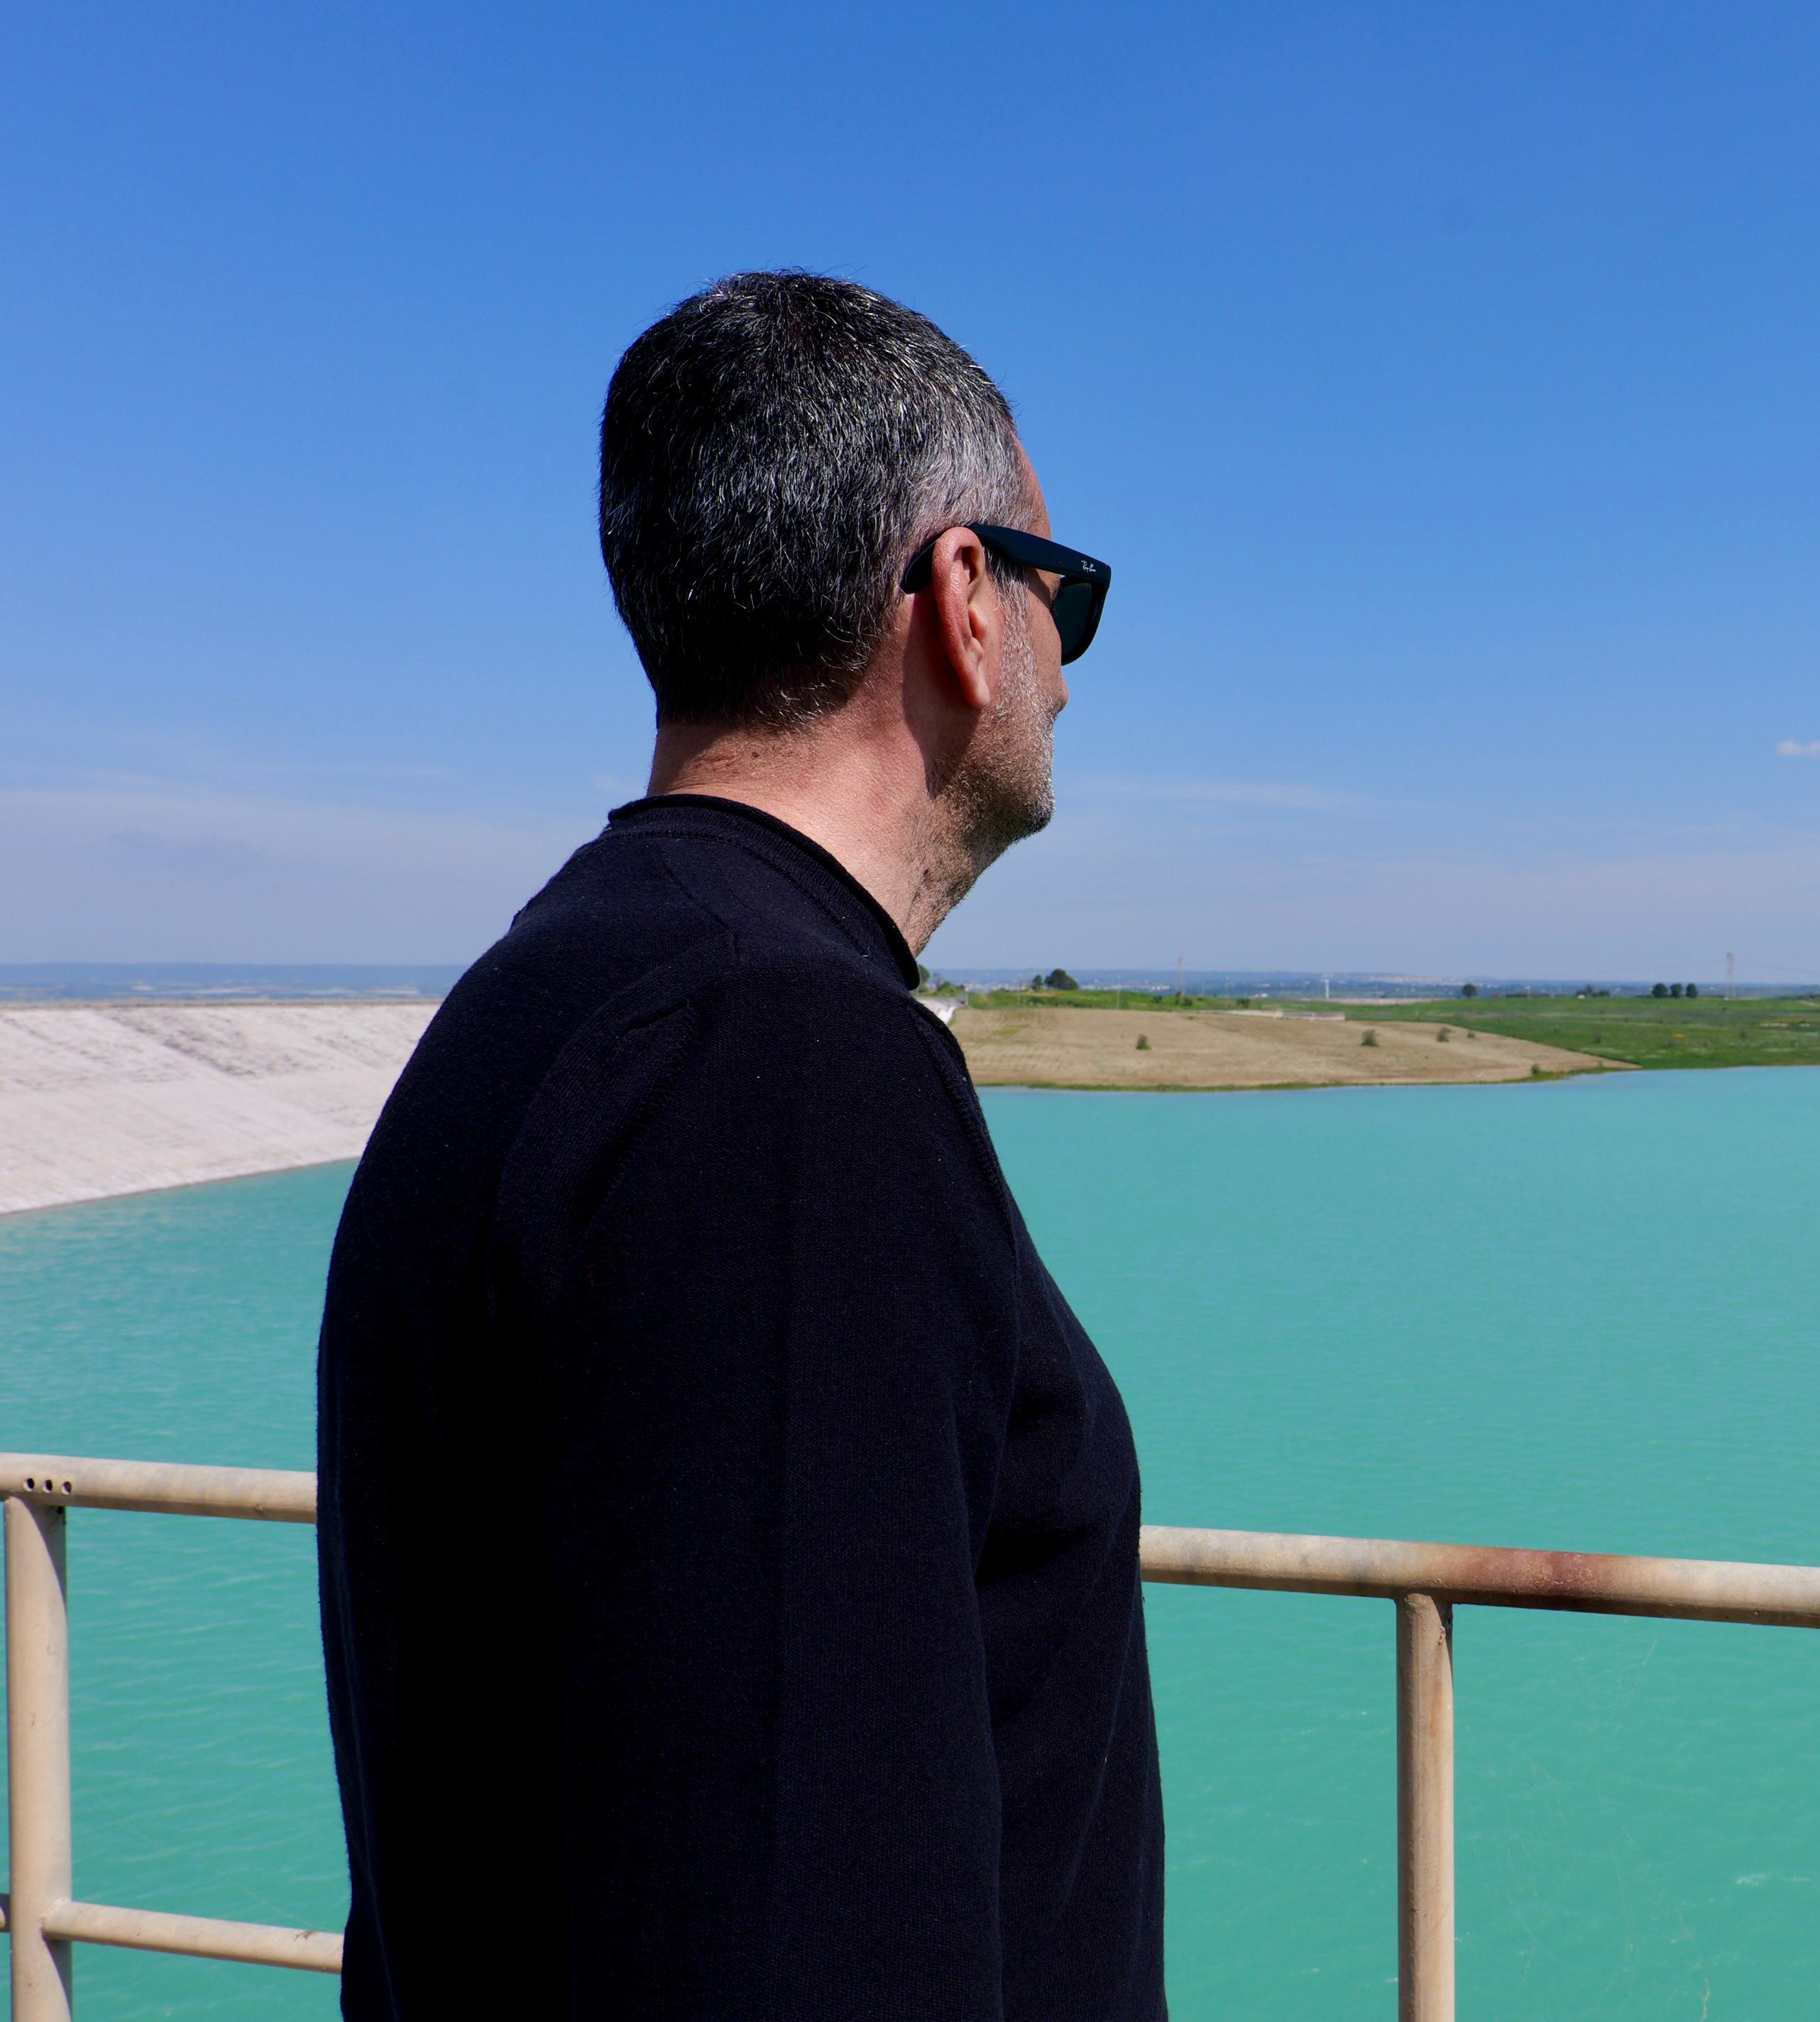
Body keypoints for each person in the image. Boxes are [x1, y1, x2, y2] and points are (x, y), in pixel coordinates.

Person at [316, 272, 1161, 2020]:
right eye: (1062, 594)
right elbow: (799, 1920)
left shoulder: (555, 990)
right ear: (962, 598)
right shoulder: (782, 1068)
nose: (1071, 677)